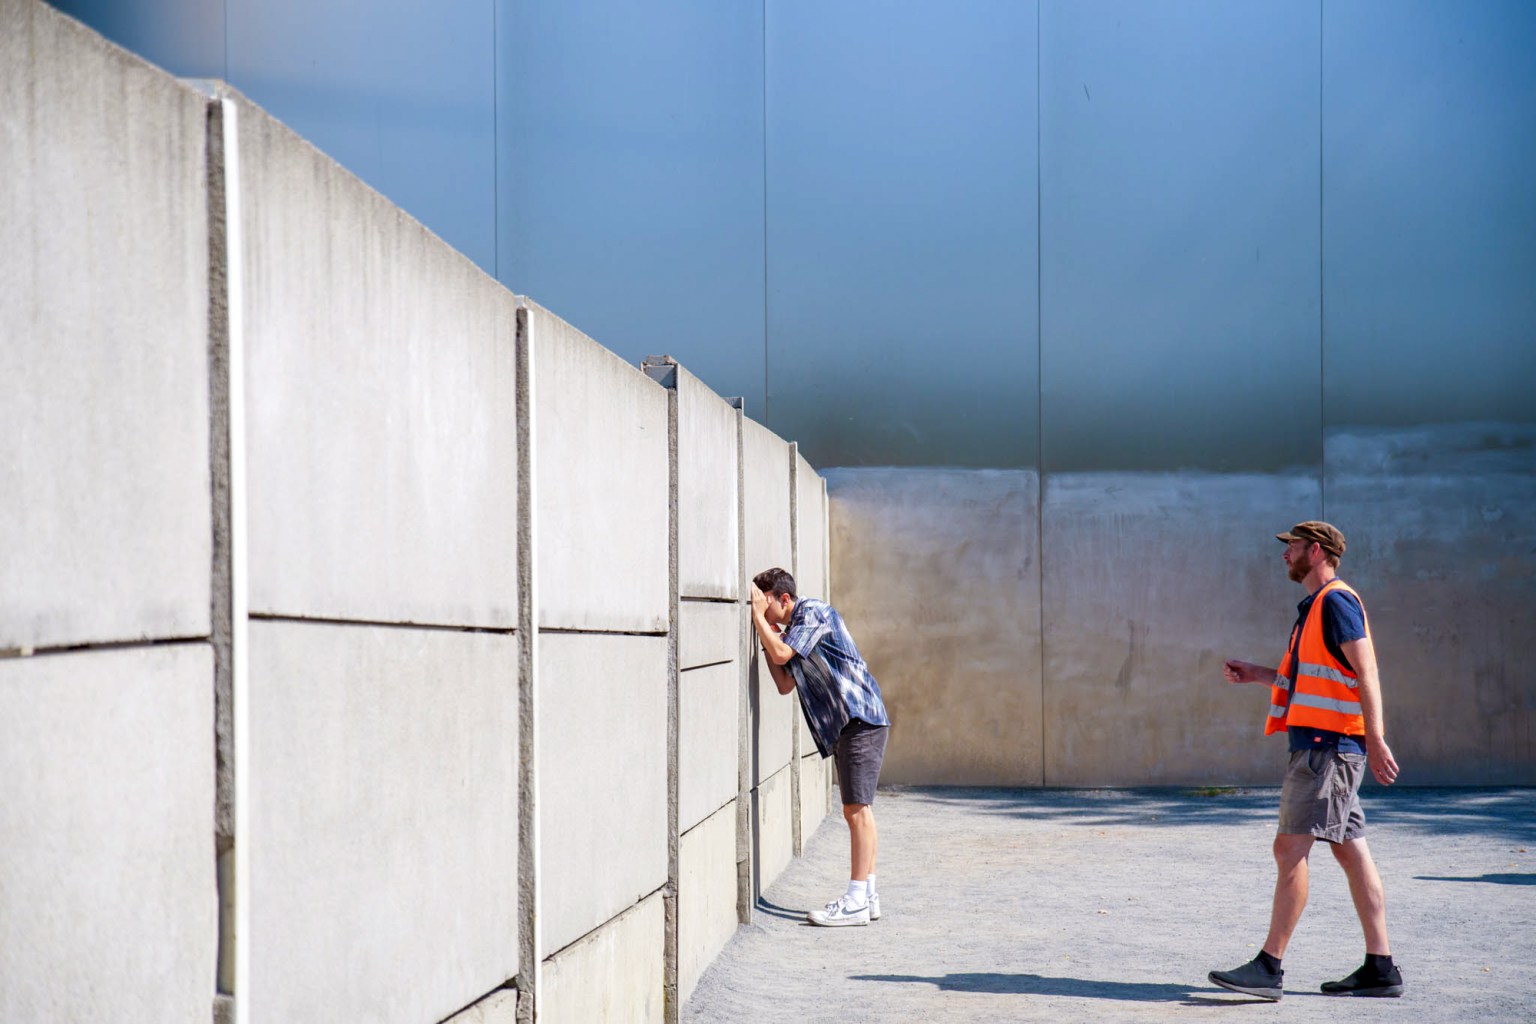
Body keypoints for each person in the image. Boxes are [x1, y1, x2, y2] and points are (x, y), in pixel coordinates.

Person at [1209, 521, 1404, 1001]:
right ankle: (1380, 967)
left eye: (1292, 546)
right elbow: (1318, 679)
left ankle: (1269, 967)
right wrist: (1260, 675)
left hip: (1327, 749)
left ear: (1315, 552)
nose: (1285, 554)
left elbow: (1366, 671)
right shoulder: (1316, 607)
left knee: (1289, 849)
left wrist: (1376, 739)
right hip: (1325, 747)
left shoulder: (1335, 601)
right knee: (1349, 850)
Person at [750, 567, 890, 927]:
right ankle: (868, 895)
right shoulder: (797, 632)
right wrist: (768, 635)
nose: (760, 613)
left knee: (856, 811)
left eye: (764, 605)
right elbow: (784, 682)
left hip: (860, 720)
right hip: (854, 723)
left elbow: (781, 654)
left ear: (784, 599)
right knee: (860, 811)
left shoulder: (812, 613)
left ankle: (856, 899)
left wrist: (762, 626)